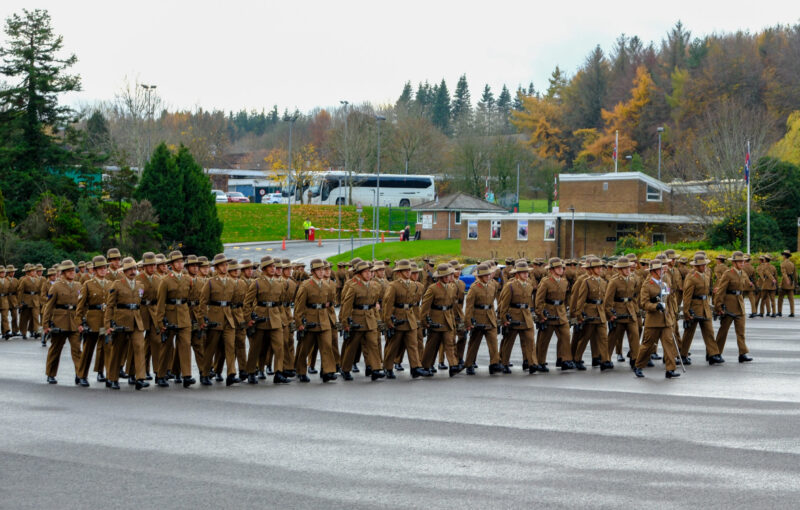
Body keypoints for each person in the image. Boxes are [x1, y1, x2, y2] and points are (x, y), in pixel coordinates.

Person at [103, 257, 149, 390]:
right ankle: (112, 378)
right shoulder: (116, 285)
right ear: (124, 271)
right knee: (118, 350)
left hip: (136, 320)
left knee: (139, 347)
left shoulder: (140, 285)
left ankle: (140, 378)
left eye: (134, 269)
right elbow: (110, 306)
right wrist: (108, 325)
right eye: (129, 269)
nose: (132, 271)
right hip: (121, 320)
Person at [243, 256, 289, 384]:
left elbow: (281, 303)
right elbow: (247, 302)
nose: (273, 269)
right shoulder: (257, 283)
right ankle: (252, 371)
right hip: (261, 317)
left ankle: (278, 373)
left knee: (279, 346)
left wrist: (283, 320)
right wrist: (248, 319)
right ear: (264, 269)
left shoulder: (279, 283)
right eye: (270, 267)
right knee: (256, 347)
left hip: (275, 317)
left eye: (274, 266)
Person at [381, 259, 430, 379]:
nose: (408, 272)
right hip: (397, 317)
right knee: (393, 345)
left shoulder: (414, 285)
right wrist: (388, 320)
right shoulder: (393, 286)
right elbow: (388, 304)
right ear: (399, 272)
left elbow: (414, 303)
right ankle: (388, 368)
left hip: (410, 317)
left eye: (409, 270)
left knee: (413, 344)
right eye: (405, 270)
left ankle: (415, 368)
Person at [632, 260, 680, 379]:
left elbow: (668, 299)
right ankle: (638, 366)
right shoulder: (647, 285)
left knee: (668, 344)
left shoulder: (664, 284)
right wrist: (655, 306)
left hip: (665, 320)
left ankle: (670, 369)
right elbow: (643, 303)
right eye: (660, 270)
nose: (662, 271)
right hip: (653, 321)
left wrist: (671, 313)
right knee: (648, 345)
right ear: (653, 271)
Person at [293, 258, 338, 383]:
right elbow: (299, 306)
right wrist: (299, 323)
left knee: (327, 346)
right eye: (318, 269)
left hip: (324, 319)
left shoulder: (326, 285)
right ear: (313, 271)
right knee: (305, 348)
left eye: (322, 269)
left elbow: (331, 301)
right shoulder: (306, 286)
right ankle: (301, 371)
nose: (321, 272)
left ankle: (327, 372)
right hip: (310, 319)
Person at [200, 254, 239, 386]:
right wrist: (202, 320)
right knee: (211, 348)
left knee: (230, 346)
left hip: (228, 317)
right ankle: (205, 373)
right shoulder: (210, 282)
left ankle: (231, 373)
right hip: (214, 317)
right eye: (222, 265)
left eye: (226, 265)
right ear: (216, 267)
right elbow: (203, 302)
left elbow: (234, 302)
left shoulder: (231, 282)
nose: (225, 267)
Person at [42, 260, 82, 384]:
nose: (72, 273)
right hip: (59, 321)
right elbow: (49, 306)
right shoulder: (56, 286)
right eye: (69, 271)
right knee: (56, 349)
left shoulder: (78, 286)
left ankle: (80, 375)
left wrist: (82, 321)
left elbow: (81, 305)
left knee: (77, 350)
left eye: (73, 270)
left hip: (74, 320)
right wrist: (46, 324)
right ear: (63, 273)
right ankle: (51, 374)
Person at [680, 254, 723, 366]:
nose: (704, 266)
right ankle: (683, 355)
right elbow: (687, 296)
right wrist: (686, 311)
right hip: (694, 308)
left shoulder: (706, 275)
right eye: (701, 265)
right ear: (696, 266)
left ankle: (713, 354)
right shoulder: (691, 277)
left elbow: (707, 291)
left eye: (704, 264)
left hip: (705, 306)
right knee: (689, 333)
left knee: (709, 331)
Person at [497, 261, 537, 373]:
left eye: (527, 272)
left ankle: (532, 363)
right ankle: (504, 363)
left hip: (526, 316)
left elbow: (529, 302)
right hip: (513, 316)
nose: (526, 274)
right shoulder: (510, 286)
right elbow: (504, 304)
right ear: (517, 274)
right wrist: (503, 319)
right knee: (509, 341)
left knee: (530, 340)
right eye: (523, 272)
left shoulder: (529, 285)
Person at [714, 251, 753, 363]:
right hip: (729, 304)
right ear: (734, 263)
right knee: (723, 331)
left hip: (739, 304)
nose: (742, 263)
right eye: (740, 261)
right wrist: (718, 306)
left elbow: (744, 287)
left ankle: (743, 353)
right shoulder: (728, 273)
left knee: (741, 331)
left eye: (743, 261)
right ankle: (716, 353)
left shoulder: (742, 273)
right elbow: (721, 291)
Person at [535, 258, 572, 371]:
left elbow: (566, 298)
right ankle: (540, 361)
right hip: (549, 312)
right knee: (544, 339)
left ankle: (564, 360)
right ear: (551, 270)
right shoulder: (546, 282)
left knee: (565, 336)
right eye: (558, 268)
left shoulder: (564, 282)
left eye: (562, 268)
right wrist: (540, 314)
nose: (561, 270)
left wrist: (567, 310)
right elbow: (539, 299)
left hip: (561, 312)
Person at [604, 257, 640, 368]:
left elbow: (633, 297)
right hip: (618, 311)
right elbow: (608, 300)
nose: (628, 270)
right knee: (613, 337)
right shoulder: (614, 281)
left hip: (630, 310)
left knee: (635, 335)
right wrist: (610, 314)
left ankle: (635, 359)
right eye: (625, 268)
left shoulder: (632, 280)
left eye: (628, 267)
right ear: (619, 269)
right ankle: (606, 359)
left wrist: (636, 309)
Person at [778, 250, 796, 317]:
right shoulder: (792, 264)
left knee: (780, 298)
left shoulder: (783, 263)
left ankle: (779, 312)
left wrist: (787, 280)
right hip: (791, 283)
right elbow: (795, 275)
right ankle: (792, 312)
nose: (782, 256)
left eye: (783, 255)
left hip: (785, 283)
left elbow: (784, 273)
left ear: (785, 256)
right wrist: (795, 283)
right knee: (791, 299)